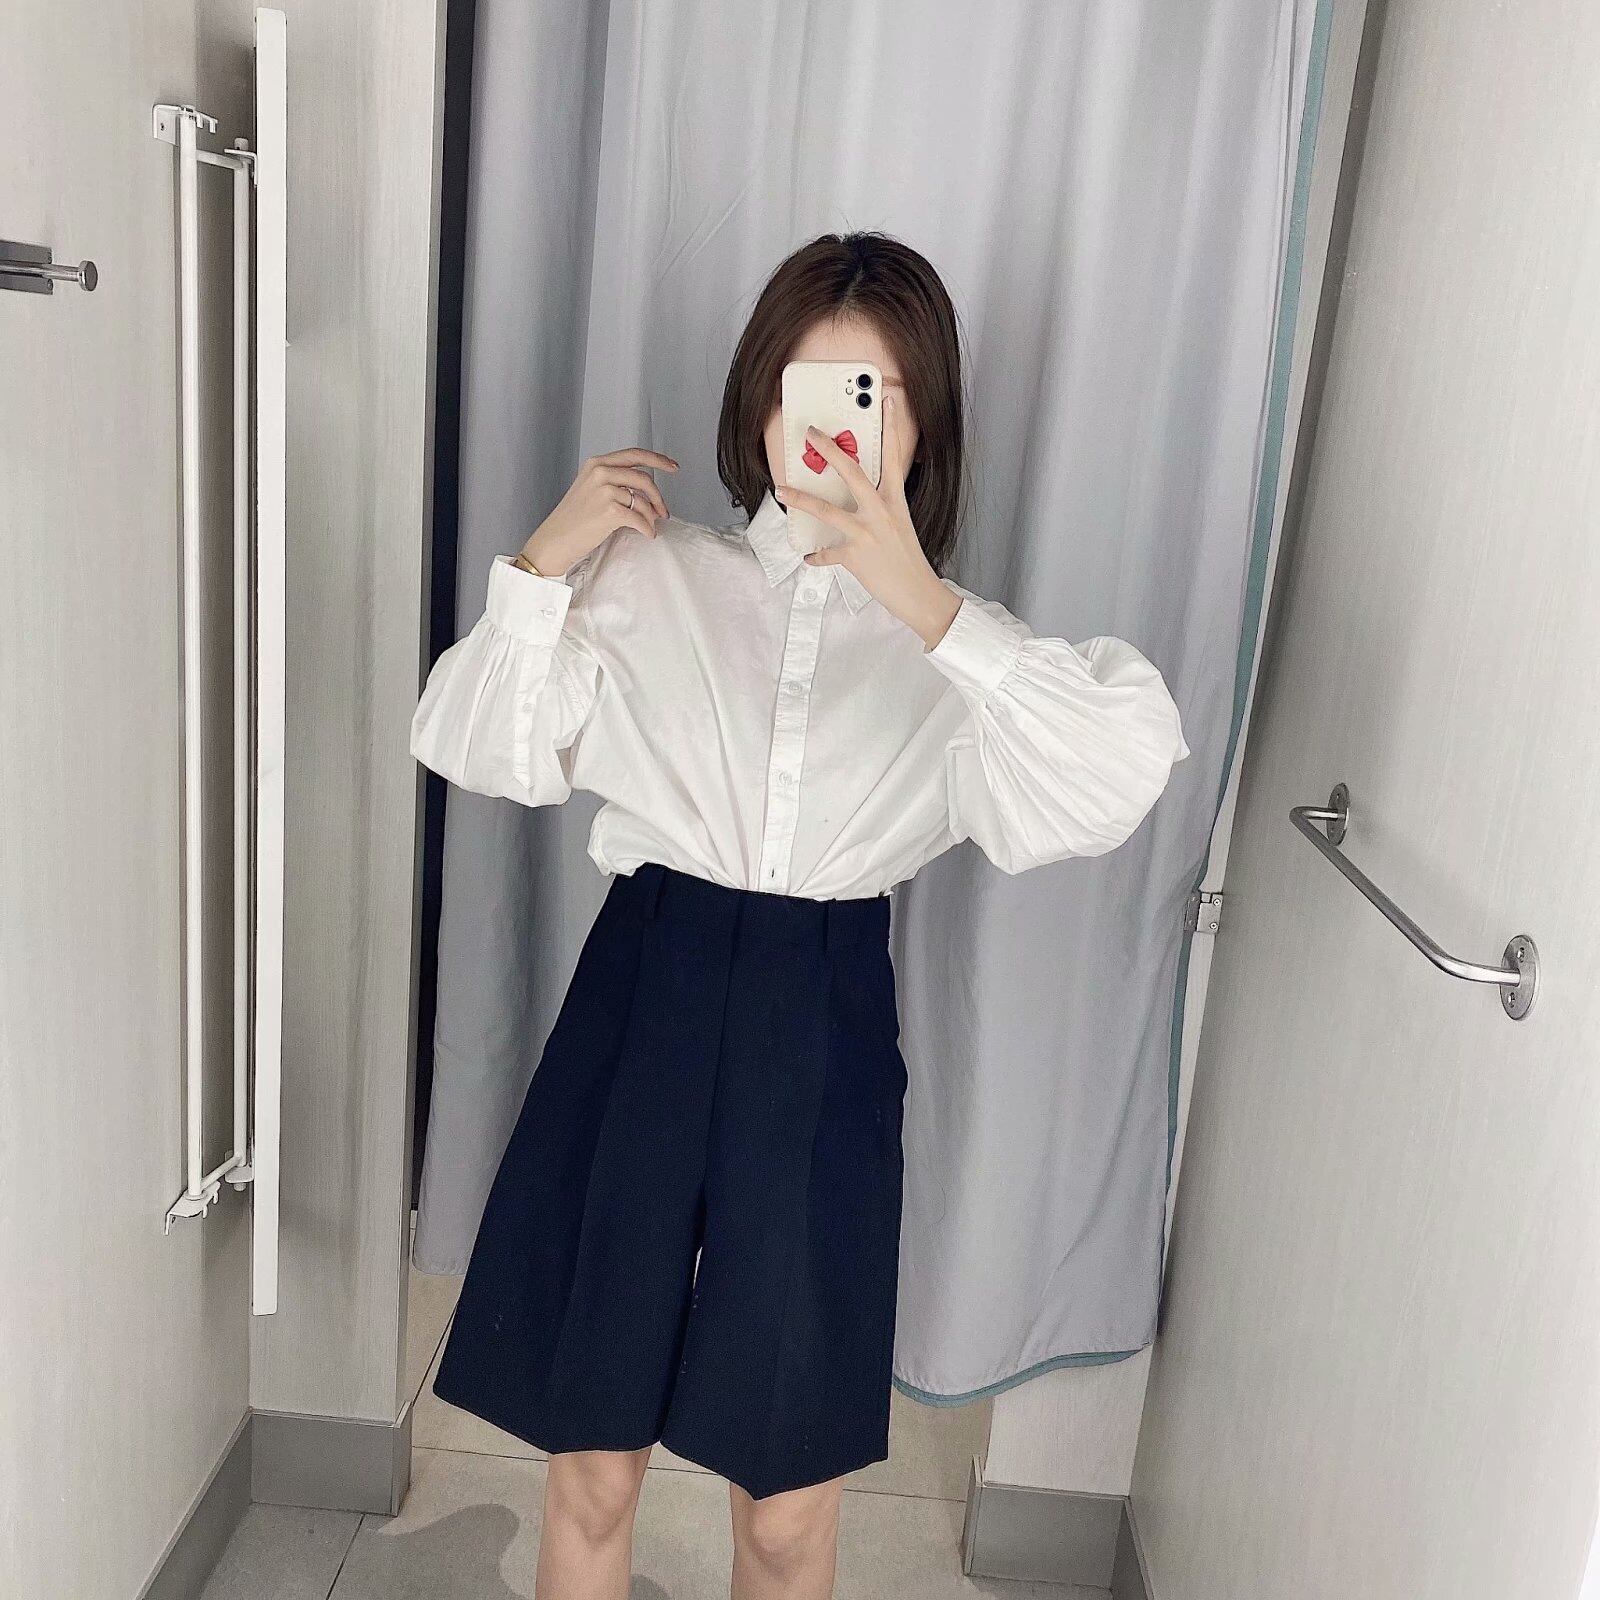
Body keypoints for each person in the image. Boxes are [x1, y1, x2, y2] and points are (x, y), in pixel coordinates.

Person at [409, 230, 1190, 1600]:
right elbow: (475, 745)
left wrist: (926, 605)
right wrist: (538, 565)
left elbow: (1115, 775)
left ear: (920, 426)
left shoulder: (965, 650)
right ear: (758, 401)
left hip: (823, 1015)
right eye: (798, 390)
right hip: (645, 994)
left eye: (867, 399)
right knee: (592, 1470)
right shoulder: (653, 574)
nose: (822, 431)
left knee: (786, 1508)